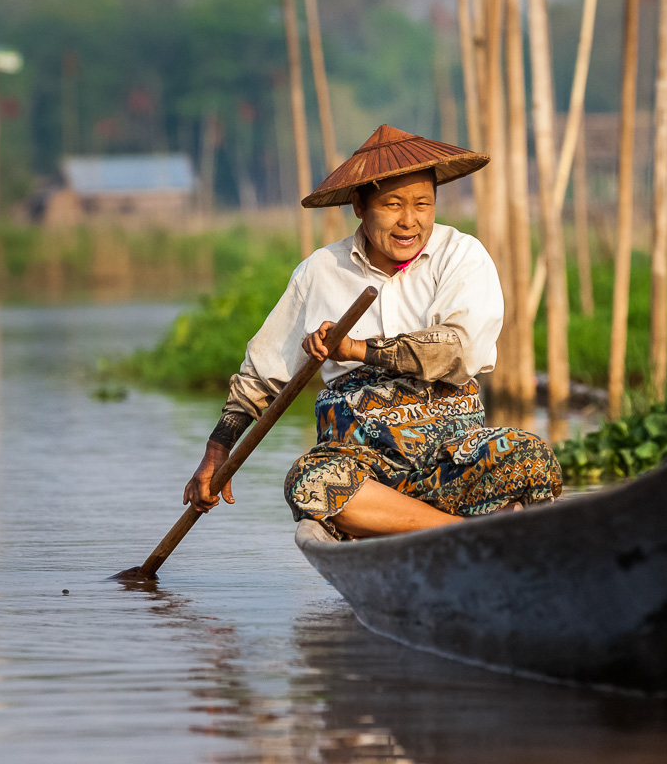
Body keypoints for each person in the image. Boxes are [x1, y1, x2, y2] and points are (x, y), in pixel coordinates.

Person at [182, 125, 562, 538]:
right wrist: (218, 451)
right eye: (393, 204)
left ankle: (444, 528)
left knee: (531, 456)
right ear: (360, 205)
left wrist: (357, 349)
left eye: (422, 204)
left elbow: (460, 349)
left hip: (451, 461)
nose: (409, 221)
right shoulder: (320, 271)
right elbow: (261, 375)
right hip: (364, 470)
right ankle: (461, 532)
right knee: (308, 482)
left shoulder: (461, 255)